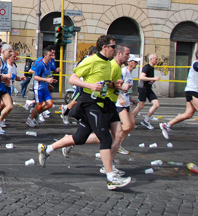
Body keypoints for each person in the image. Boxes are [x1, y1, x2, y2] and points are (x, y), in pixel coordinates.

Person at [37, 35, 132, 190]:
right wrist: (90, 85)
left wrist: (116, 85)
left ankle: (47, 149)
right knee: (105, 138)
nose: (115, 50)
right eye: (113, 47)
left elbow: (107, 84)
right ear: (104, 47)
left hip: (106, 104)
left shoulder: (109, 64)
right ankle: (110, 177)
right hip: (90, 103)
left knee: (81, 138)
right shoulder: (91, 60)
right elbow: (73, 79)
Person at [160, 49, 198, 148]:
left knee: (188, 114)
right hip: (192, 91)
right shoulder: (196, 64)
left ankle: (166, 125)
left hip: (193, 91)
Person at [25, 46, 58, 128]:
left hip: (45, 88)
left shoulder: (49, 65)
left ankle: (37, 114)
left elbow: (46, 76)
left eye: (52, 55)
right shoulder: (40, 65)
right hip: (38, 88)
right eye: (50, 55)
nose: (52, 57)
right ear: (45, 55)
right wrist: (46, 80)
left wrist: (50, 82)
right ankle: (30, 118)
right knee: (38, 105)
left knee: (49, 104)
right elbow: (36, 77)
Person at [132, 54, 161, 130]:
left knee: (156, 104)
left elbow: (147, 78)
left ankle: (146, 120)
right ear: (151, 59)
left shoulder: (152, 68)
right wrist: (153, 78)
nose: (157, 61)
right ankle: (130, 121)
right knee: (140, 106)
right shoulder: (147, 67)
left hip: (148, 88)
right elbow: (141, 77)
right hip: (143, 88)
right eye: (156, 59)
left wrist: (152, 80)